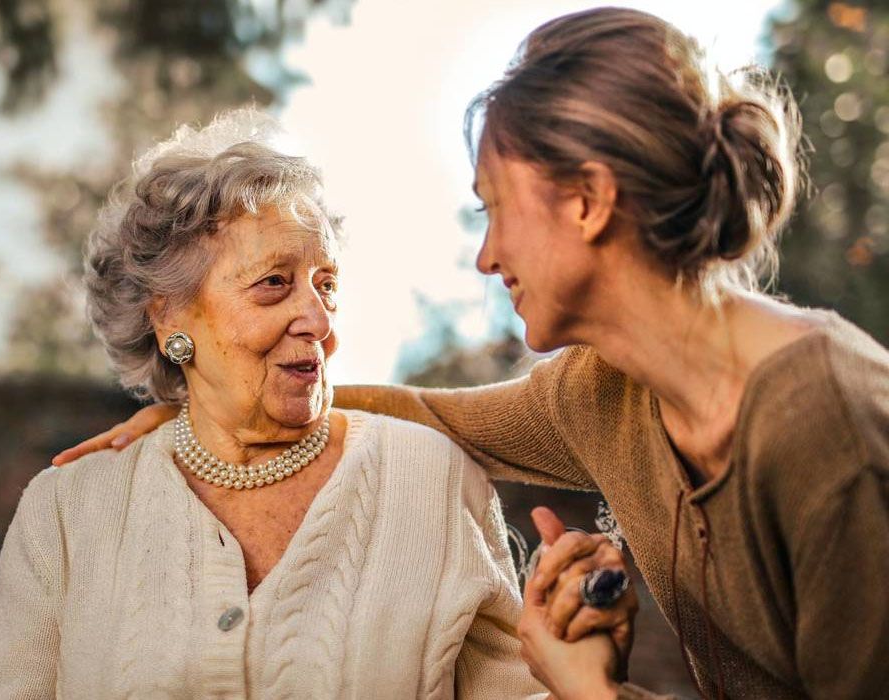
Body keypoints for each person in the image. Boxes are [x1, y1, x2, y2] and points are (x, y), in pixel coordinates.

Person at [52, 8, 889, 699]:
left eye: (495, 208)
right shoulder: (603, 393)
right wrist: (205, 392)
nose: (487, 257)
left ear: (590, 202)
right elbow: (429, 414)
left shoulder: (832, 430)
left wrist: (591, 694)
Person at [0, 111, 549, 698]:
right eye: (274, 283)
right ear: (168, 319)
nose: (319, 322)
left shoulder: (434, 481)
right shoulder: (66, 513)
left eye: (327, 284)